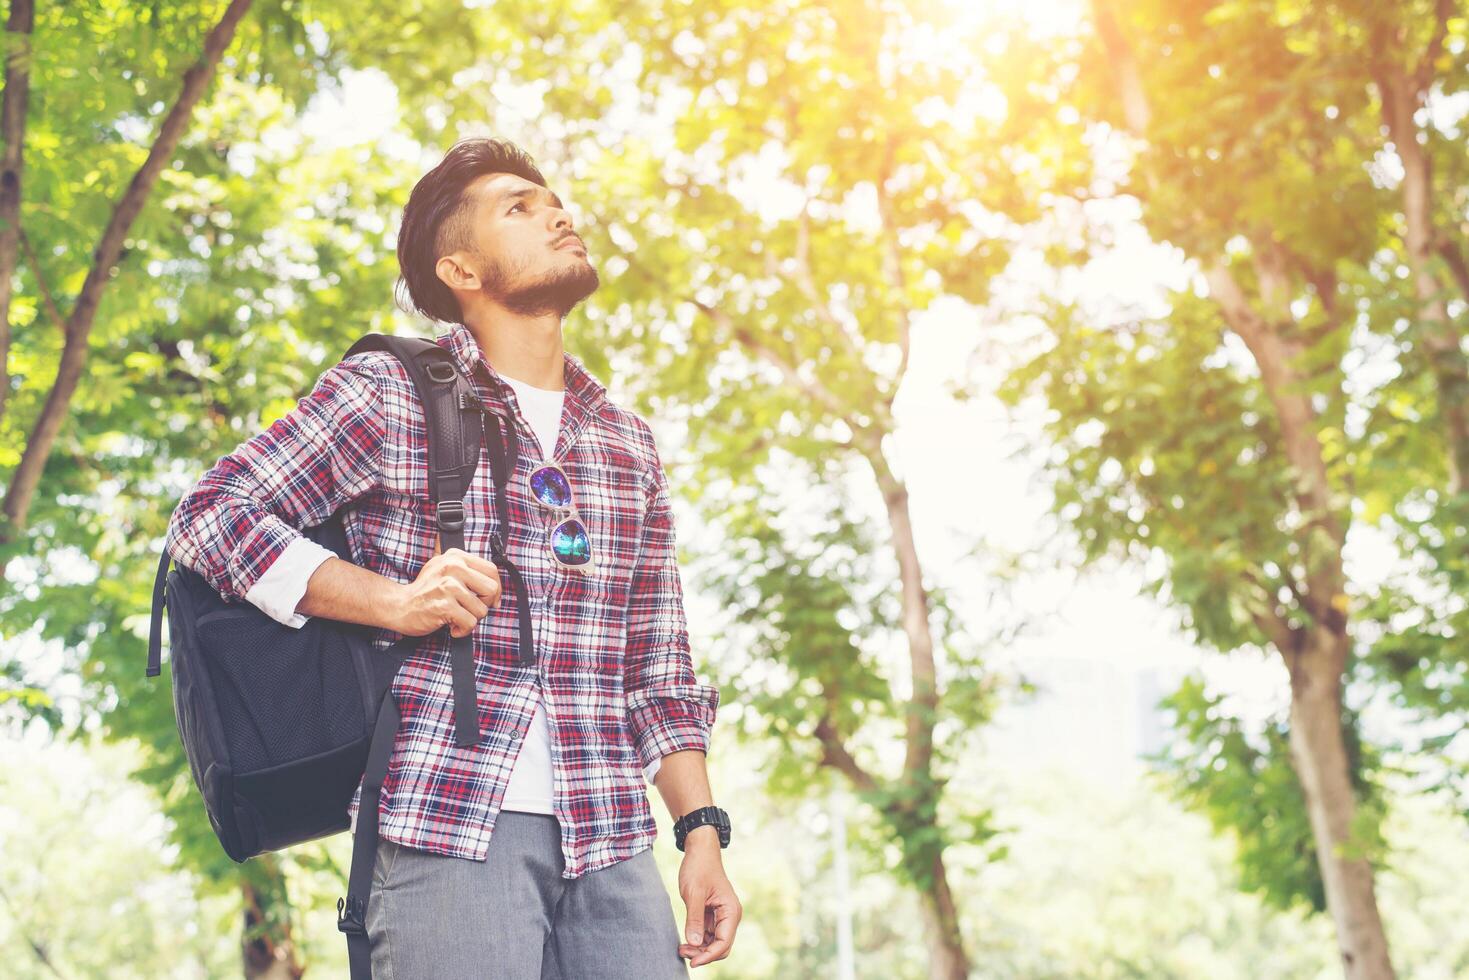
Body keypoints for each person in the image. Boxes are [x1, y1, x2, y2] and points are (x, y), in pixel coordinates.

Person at [163, 136, 740, 977]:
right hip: (447, 824)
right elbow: (210, 517)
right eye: (519, 206)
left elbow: (657, 668)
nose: (554, 212)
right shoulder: (392, 391)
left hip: (613, 840)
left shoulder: (626, 444)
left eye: (551, 200)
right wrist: (392, 600)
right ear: (461, 271)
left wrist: (700, 834)